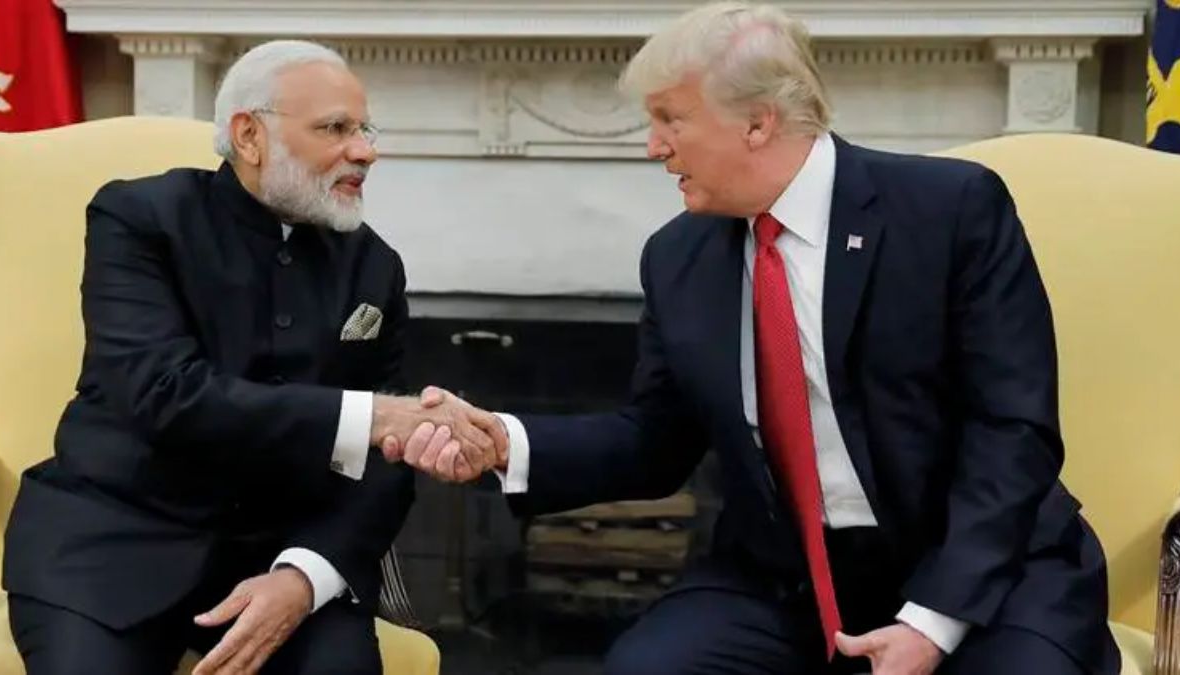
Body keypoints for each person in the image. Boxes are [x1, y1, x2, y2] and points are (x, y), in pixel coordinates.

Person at [388, 3, 1120, 674]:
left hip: (981, 567)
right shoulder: (679, 257)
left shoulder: (950, 210)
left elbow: (1014, 431)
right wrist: (505, 443)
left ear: (759, 123)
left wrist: (931, 622)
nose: (653, 147)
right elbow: (652, 442)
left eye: (671, 119)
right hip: (785, 579)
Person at [2, 40, 504, 675]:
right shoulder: (140, 218)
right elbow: (165, 392)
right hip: (112, 547)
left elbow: (385, 465)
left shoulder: (374, 265)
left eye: (366, 129)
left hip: (279, 554)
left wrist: (304, 577)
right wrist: (375, 417)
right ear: (249, 134)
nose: (365, 151)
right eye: (336, 129)